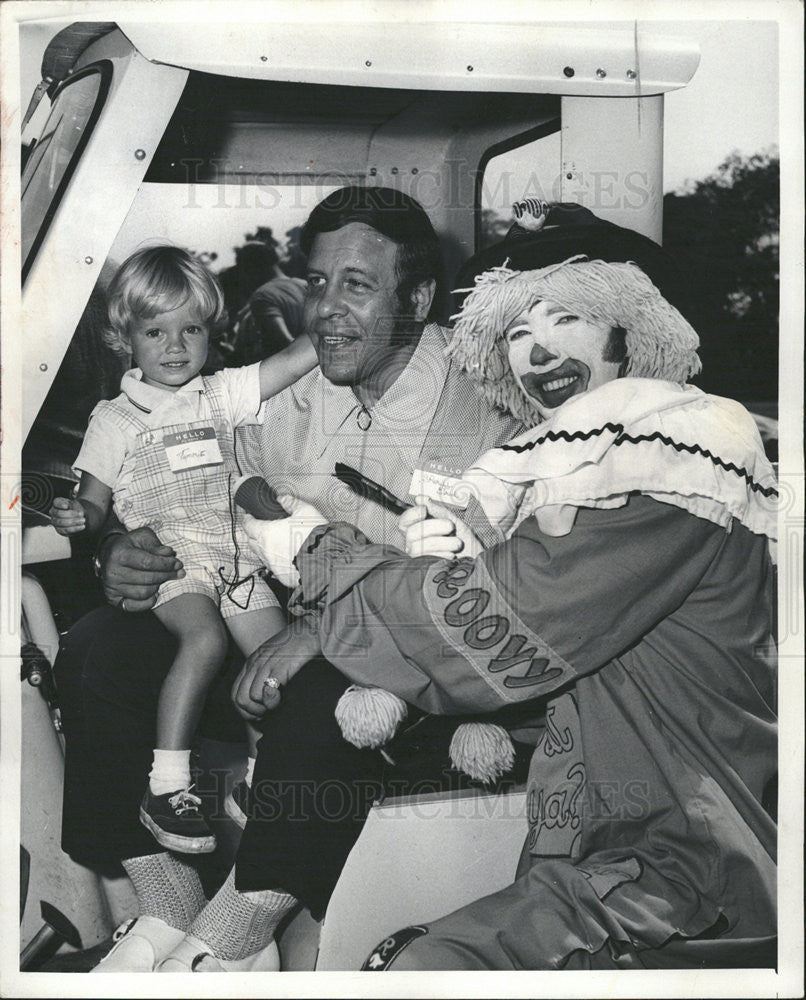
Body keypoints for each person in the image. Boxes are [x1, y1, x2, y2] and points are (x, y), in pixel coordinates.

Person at [239, 226, 778, 970]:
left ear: (633, 326)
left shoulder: (669, 451)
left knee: (422, 969)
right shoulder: (580, 458)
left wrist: (313, 552)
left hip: (690, 872)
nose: (538, 351)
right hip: (605, 848)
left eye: (565, 319)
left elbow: (496, 627)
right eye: (517, 331)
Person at [54, 188, 521, 971]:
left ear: (417, 298)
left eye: (357, 285)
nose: (326, 311)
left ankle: (235, 942)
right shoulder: (281, 395)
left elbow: (486, 585)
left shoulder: (482, 406)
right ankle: (164, 907)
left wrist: (321, 630)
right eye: (317, 282)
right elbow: (193, 494)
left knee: (320, 693)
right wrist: (113, 552)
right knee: (99, 648)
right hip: (263, 615)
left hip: (417, 654)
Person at [48, 245, 318, 857]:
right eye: (156, 330)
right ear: (127, 339)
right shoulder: (115, 419)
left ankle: (260, 776)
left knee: (274, 658)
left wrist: (322, 331)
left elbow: (288, 363)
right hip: (175, 561)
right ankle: (167, 784)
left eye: (190, 328)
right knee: (205, 641)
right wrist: (78, 517)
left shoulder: (217, 395)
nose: (175, 346)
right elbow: (93, 504)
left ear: (211, 332)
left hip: (235, 558)